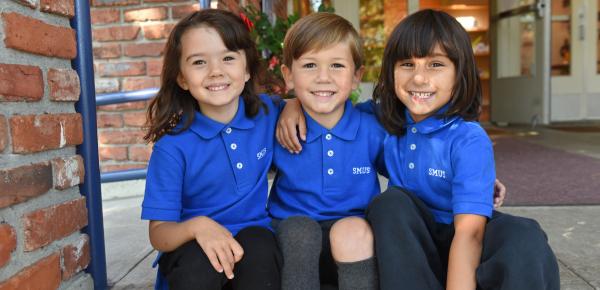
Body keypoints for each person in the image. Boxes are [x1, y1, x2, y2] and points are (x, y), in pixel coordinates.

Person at [364, 9, 559, 290]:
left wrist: (476, 179)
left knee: (524, 235)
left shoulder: (468, 139)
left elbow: (470, 234)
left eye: (435, 64)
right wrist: (292, 107)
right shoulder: (380, 121)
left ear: (459, 72)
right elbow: (330, 115)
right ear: (390, 71)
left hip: (466, 237)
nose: (419, 78)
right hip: (415, 250)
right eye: (407, 64)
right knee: (388, 204)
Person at [141, 9, 281, 290]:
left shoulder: (268, 113)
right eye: (199, 62)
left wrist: (294, 109)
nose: (216, 71)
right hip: (192, 248)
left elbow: (303, 104)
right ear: (181, 78)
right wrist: (197, 226)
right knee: (199, 265)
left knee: (260, 248)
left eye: (228, 58)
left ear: (247, 69)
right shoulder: (172, 147)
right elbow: (159, 234)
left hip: (253, 239)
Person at [267, 12, 386, 290]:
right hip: (291, 241)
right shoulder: (276, 124)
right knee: (300, 231)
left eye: (336, 65)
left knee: (352, 228)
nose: (323, 77)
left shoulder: (371, 126)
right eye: (309, 65)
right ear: (288, 75)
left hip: (354, 246)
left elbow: (409, 167)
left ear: (356, 76)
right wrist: (288, 104)